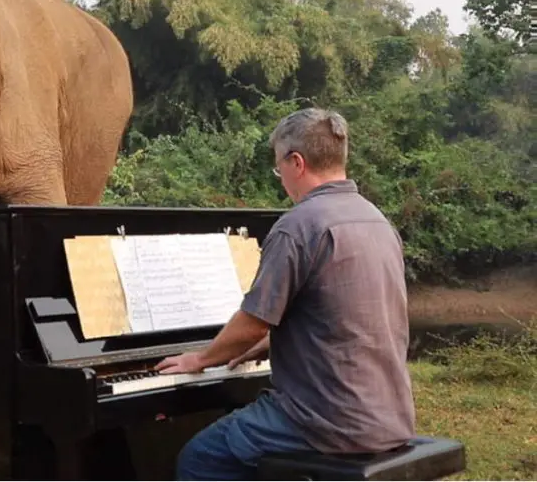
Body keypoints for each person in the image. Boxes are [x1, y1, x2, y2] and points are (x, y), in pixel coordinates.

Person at [155, 107, 416, 480]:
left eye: (279, 168)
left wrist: (199, 359)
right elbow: (351, 318)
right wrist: (281, 342)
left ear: (297, 162)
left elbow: (252, 324)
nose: (281, 179)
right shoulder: (377, 221)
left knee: (199, 459)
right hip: (389, 415)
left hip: (325, 422)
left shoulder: (297, 226)